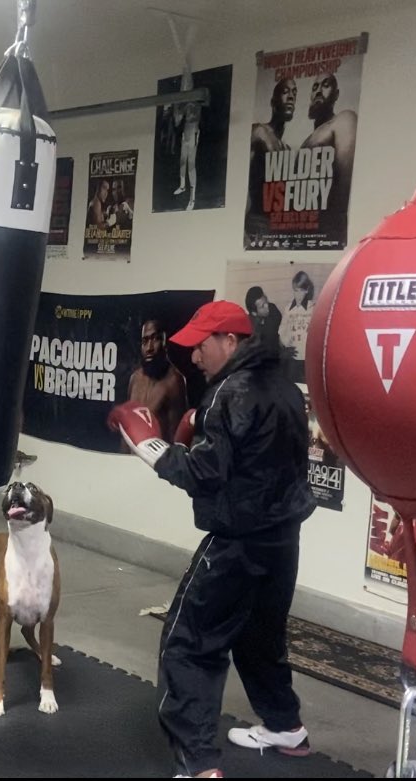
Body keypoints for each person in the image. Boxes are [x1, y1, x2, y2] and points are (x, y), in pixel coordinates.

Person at [108, 300, 317, 779]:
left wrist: (153, 448)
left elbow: (204, 474)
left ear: (230, 340)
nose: (195, 358)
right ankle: (285, 726)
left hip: (236, 544)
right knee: (259, 636)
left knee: (187, 644)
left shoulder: (228, 393)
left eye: (201, 347)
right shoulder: (285, 387)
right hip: (283, 541)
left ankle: (199, 764)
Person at [300, 73, 357, 238]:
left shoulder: (344, 119)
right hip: (303, 234)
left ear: (336, 94)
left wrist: (332, 235)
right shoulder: (307, 141)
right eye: (315, 87)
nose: (318, 91)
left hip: (328, 232)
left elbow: (345, 181)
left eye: (325, 85)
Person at [245, 78, 297, 239]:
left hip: (276, 230)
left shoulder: (287, 149)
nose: (291, 97)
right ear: (273, 102)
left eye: (294, 93)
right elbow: (240, 181)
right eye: (285, 92)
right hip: (255, 224)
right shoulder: (259, 132)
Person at [127, 319, 188, 444]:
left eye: (155, 339)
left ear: (165, 342)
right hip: (130, 454)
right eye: (145, 341)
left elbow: (177, 442)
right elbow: (127, 429)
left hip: (158, 455)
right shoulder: (135, 379)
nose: (149, 348)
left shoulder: (174, 382)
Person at [279, 270, 315, 384]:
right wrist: (285, 345)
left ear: (307, 290)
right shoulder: (288, 309)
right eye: (295, 291)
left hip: (307, 359)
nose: (298, 295)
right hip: (293, 359)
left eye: (301, 291)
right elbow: (282, 331)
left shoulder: (313, 308)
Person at [173, 69, 202, 211]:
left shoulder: (196, 102)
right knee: (182, 161)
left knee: (191, 165)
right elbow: (177, 121)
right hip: (186, 133)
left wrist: (183, 107)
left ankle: (192, 198)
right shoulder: (185, 103)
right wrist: (177, 107)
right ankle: (182, 186)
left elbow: (193, 117)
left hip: (193, 133)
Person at [244, 285, 282, 354]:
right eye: (262, 306)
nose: (267, 306)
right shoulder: (249, 329)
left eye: (266, 301)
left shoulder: (273, 309)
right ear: (254, 313)